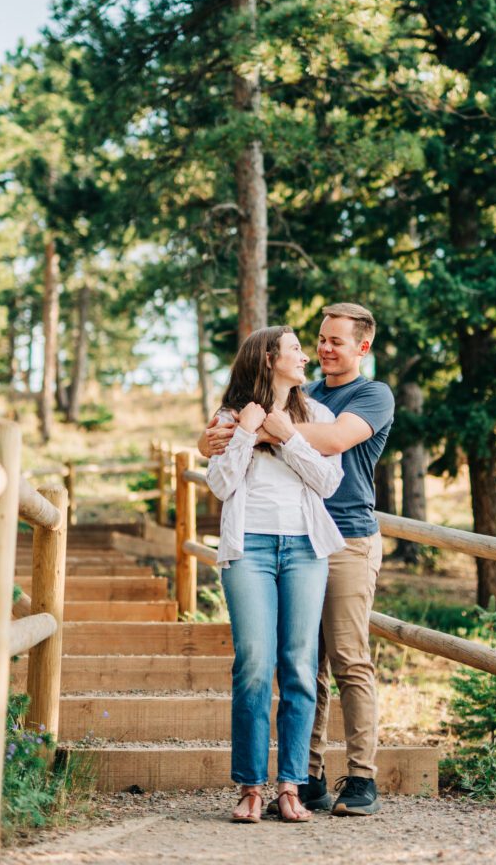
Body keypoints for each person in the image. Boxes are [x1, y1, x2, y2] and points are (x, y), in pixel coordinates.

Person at [201, 303, 394, 817]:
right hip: (260, 546)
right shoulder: (306, 395)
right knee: (281, 665)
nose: (320, 350)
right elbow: (219, 477)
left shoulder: (364, 397)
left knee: (339, 660)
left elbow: (332, 447)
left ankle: (359, 777)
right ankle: (302, 777)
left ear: (362, 347)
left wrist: (269, 428)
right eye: (316, 341)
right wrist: (231, 430)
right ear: (270, 359)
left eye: (334, 341)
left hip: (342, 539)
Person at [205, 325, 345, 824]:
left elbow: (329, 482)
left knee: (301, 667)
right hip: (249, 551)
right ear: (268, 358)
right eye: (295, 349)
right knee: (254, 665)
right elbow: (221, 485)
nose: (306, 356)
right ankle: (249, 787)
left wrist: (288, 438)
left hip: (306, 550)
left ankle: (291, 786)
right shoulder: (228, 417)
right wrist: (246, 430)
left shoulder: (318, 416)